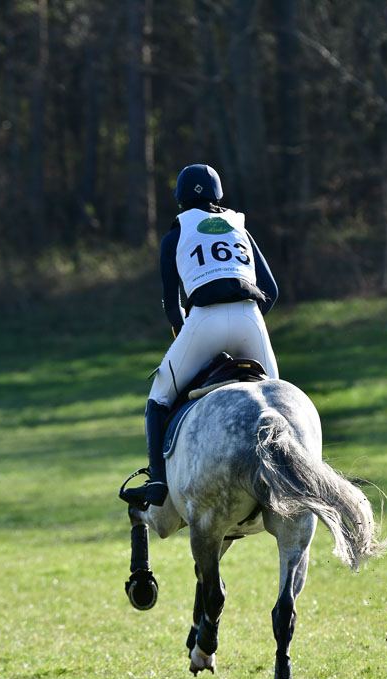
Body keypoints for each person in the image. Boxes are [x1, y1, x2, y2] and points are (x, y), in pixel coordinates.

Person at [120, 163, 279, 509]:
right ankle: (301, 471)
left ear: (179, 201)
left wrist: (185, 337)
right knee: (280, 400)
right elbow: (272, 290)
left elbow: (171, 303)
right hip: (249, 317)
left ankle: (158, 482)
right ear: (219, 196)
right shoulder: (240, 228)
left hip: (203, 321)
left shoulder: (175, 235)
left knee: (158, 398)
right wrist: (248, 323)